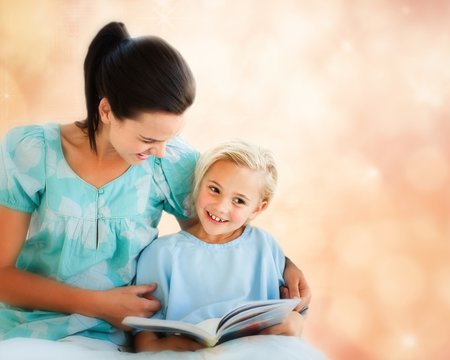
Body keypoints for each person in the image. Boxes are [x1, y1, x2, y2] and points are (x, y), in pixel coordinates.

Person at [0, 21, 310, 351]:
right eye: (149, 139)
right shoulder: (32, 153)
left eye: (170, 138)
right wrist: (99, 304)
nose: (160, 151)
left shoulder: (169, 162)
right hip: (33, 327)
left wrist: (284, 265)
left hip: (124, 337)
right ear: (106, 110)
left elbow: (213, 235)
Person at [133, 140, 307, 352]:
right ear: (199, 183)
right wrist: (159, 346)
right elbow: (144, 332)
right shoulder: (161, 253)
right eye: (214, 189)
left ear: (257, 209)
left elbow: (290, 310)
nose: (221, 207)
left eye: (239, 201)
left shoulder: (264, 245)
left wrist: (295, 321)